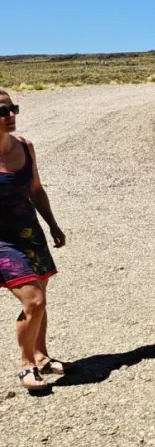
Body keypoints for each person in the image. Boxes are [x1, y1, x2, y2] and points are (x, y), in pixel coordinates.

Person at [0, 90, 69, 391]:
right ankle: (26, 364)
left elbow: (36, 190)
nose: (11, 115)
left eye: (13, 108)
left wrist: (52, 223)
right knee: (34, 299)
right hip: (2, 242)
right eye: (3, 111)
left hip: (30, 234)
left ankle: (41, 356)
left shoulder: (25, 147)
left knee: (40, 299)